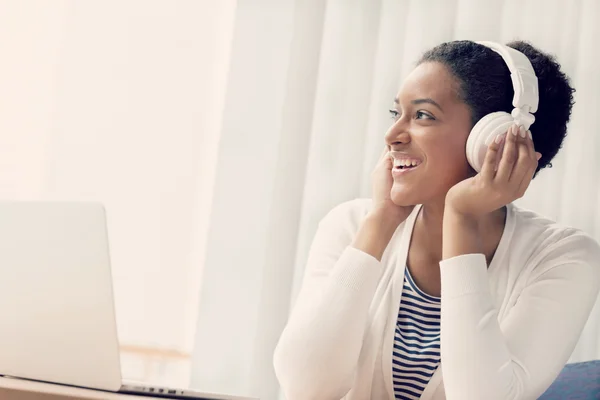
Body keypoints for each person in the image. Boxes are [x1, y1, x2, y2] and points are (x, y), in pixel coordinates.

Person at [272, 40, 600, 400]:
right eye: (395, 113)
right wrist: (381, 222)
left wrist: (460, 217)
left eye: (423, 116)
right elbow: (305, 387)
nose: (392, 136)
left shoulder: (564, 257)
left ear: (495, 140)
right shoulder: (352, 225)